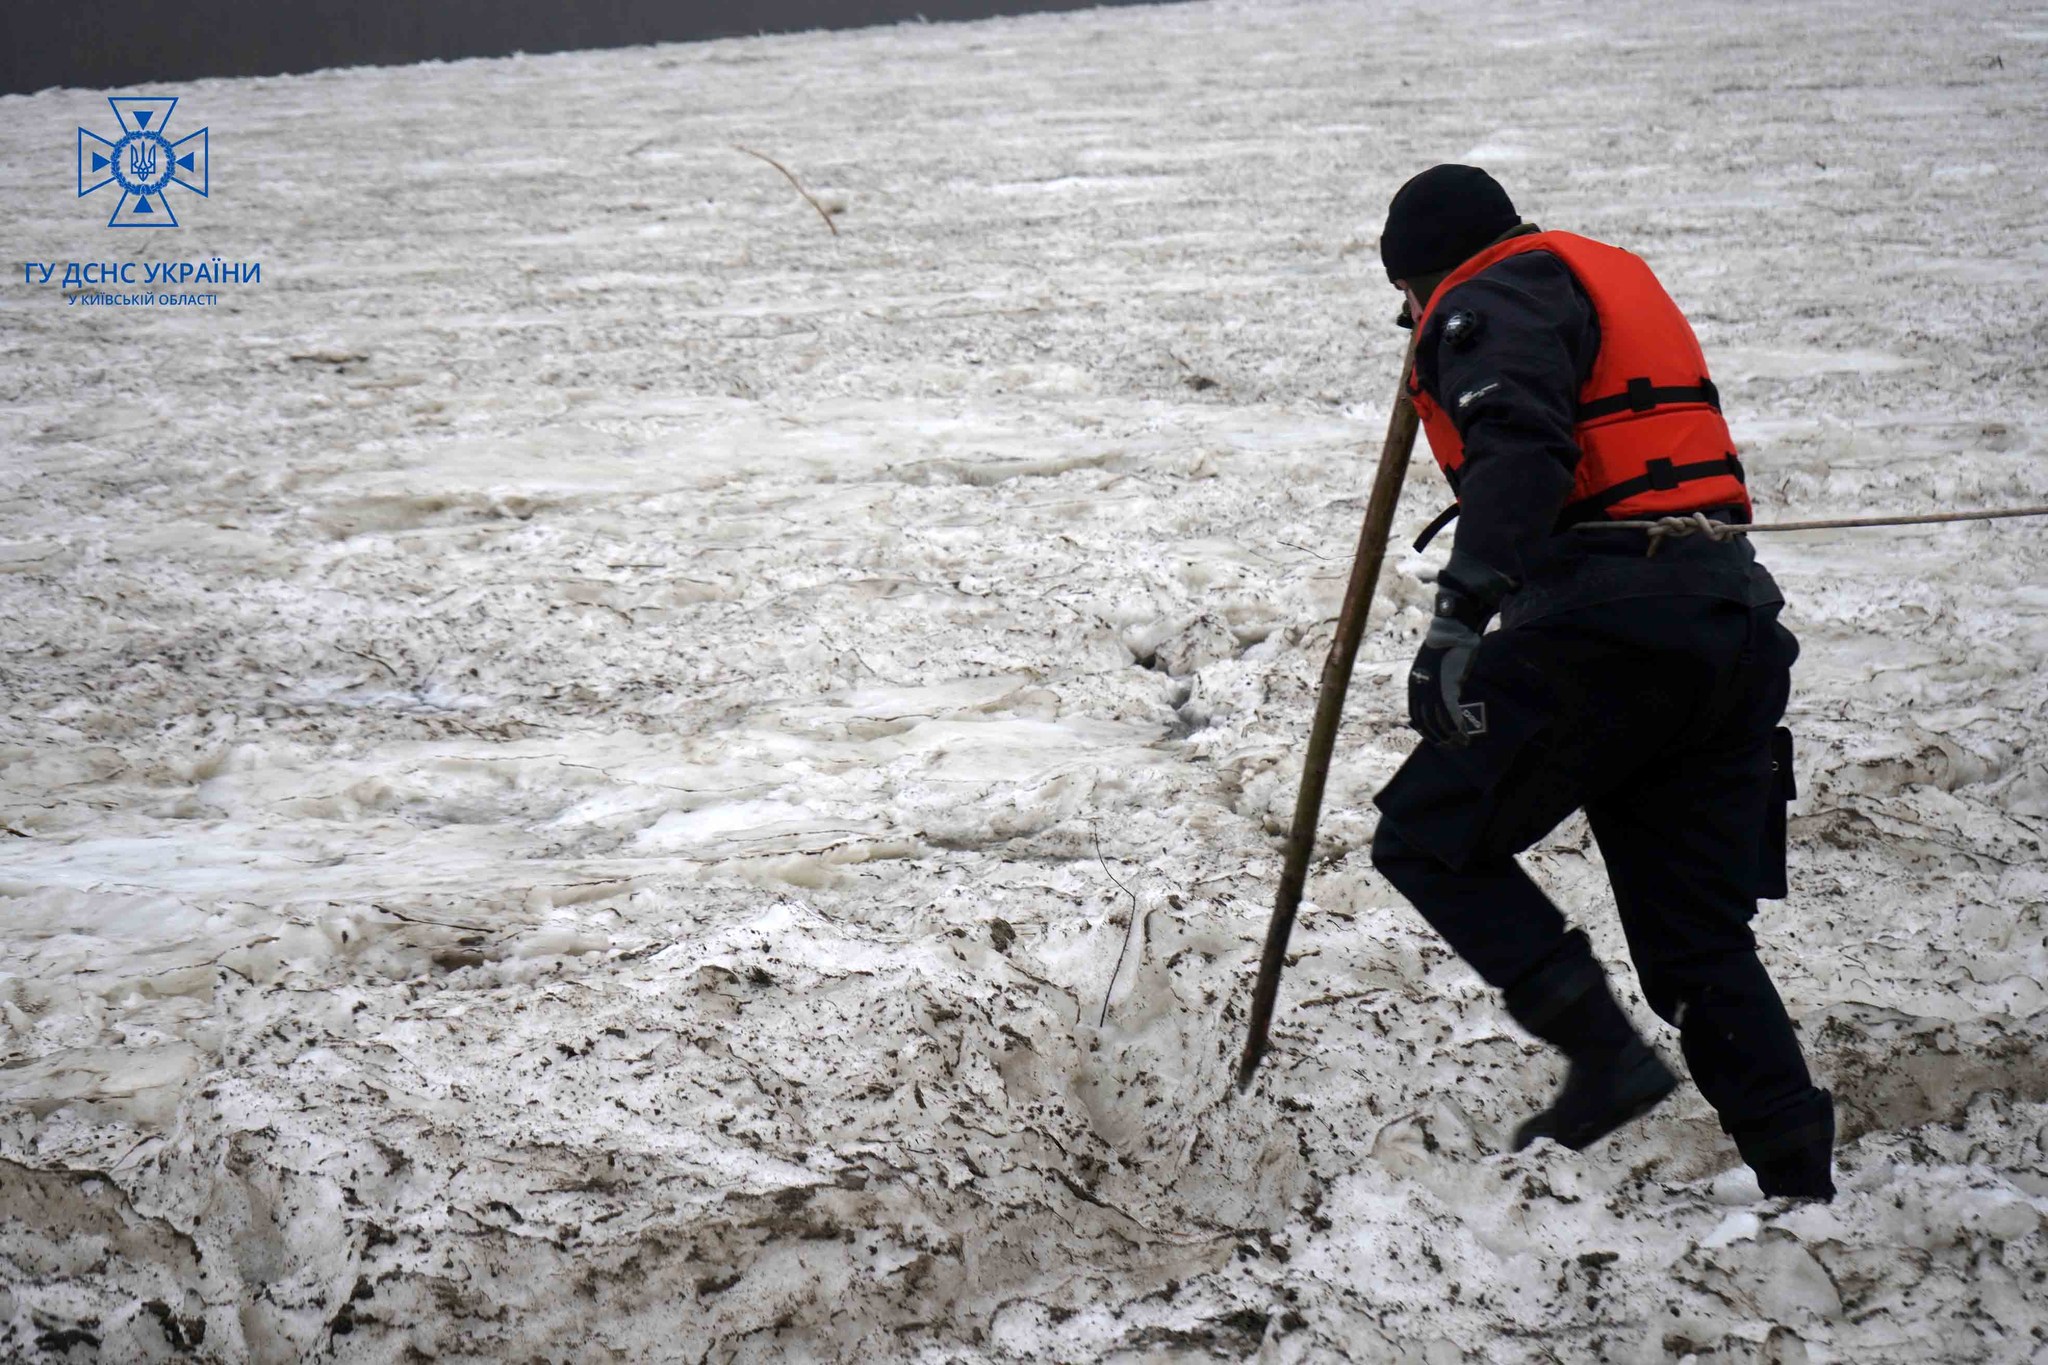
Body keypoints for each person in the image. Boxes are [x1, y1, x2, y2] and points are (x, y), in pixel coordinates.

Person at [1367, 164, 1836, 1200]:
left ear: (1418, 278)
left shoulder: (1485, 299)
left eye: (1402, 297)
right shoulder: (1583, 275)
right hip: (1727, 620)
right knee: (1695, 941)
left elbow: (1522, 448)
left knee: (1426, 833)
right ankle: (1797, 1182)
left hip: (1611, 626)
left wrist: (1457, 616)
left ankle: (1605, 1059)